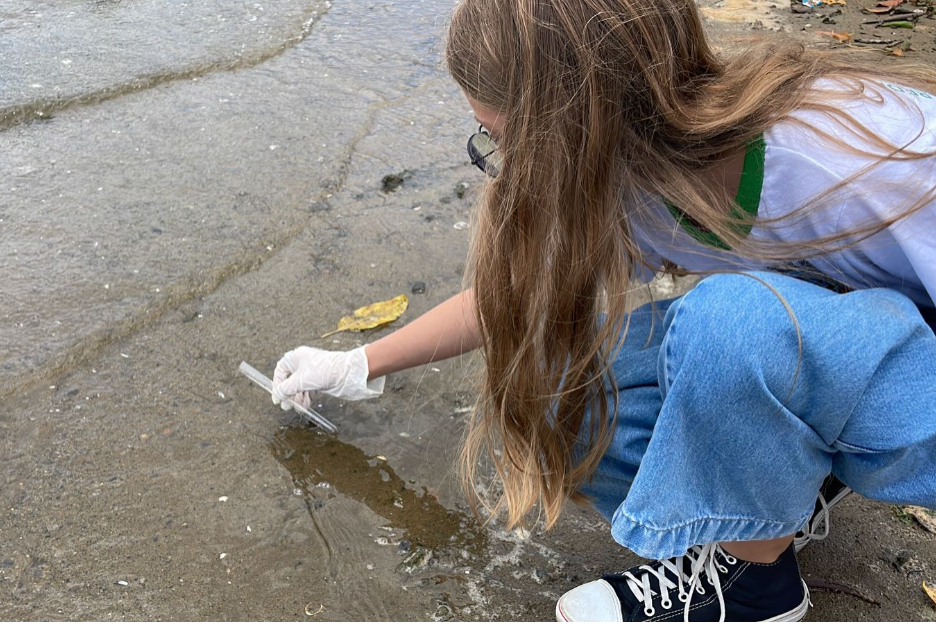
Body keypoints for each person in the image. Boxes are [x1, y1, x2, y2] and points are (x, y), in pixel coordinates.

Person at [272, 0, 936, 620]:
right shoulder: (642, 181)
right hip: (866, 370)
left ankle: (755, 585)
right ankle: (776, 502)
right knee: (562, 387)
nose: (503, 168)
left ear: (574, 124)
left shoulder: (857, 150)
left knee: (730, 323)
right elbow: (521, 295)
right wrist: (359, 363)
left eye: (500, 140)